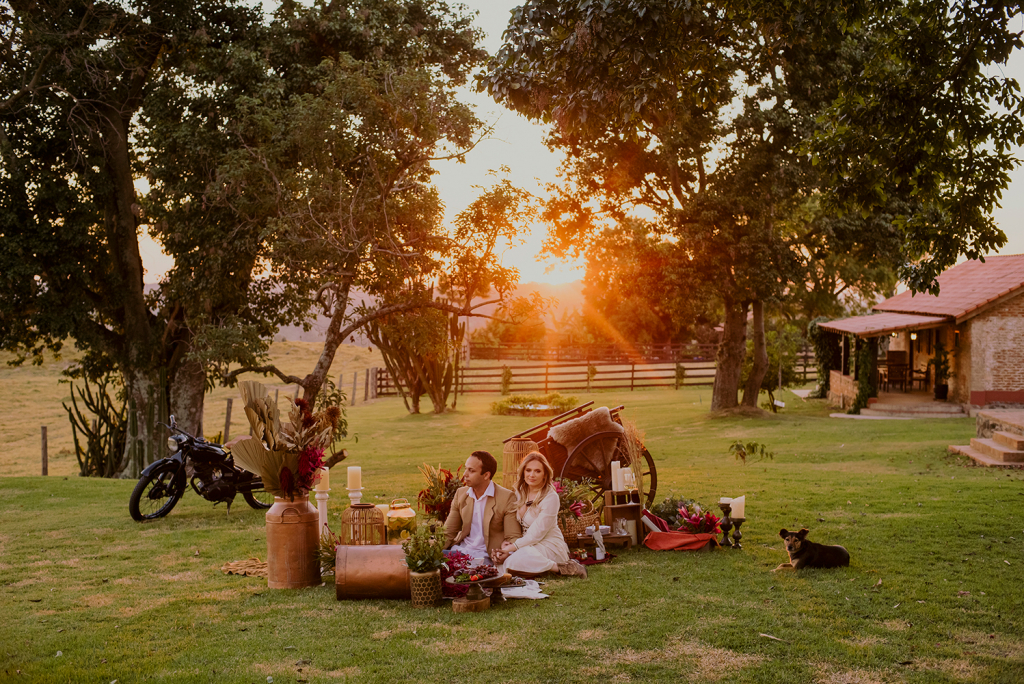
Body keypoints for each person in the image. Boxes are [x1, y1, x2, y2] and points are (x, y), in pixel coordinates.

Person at [497, 452, 587, 578]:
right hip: (526, 544)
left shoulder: (551, 497)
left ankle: (566, 568)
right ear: (523, 471)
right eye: (528, 470)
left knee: (514, 561)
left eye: (537, 471)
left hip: (548, 544)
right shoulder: (519, 492)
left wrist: (511, 548)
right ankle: (536, 568)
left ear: (545, 474)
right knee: (503, 564)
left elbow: (536, 535)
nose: (531, 475)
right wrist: (507, 543)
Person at [444, 450, 522, 562]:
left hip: (486, 556)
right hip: (461, 551)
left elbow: (513, 536)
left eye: (471, 470)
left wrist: (507, 552)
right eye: (466, 468)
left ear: (486, 475)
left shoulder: (506, 498)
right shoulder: (461, 494)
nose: (465, 474)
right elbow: (448, 532)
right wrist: (431, 551)